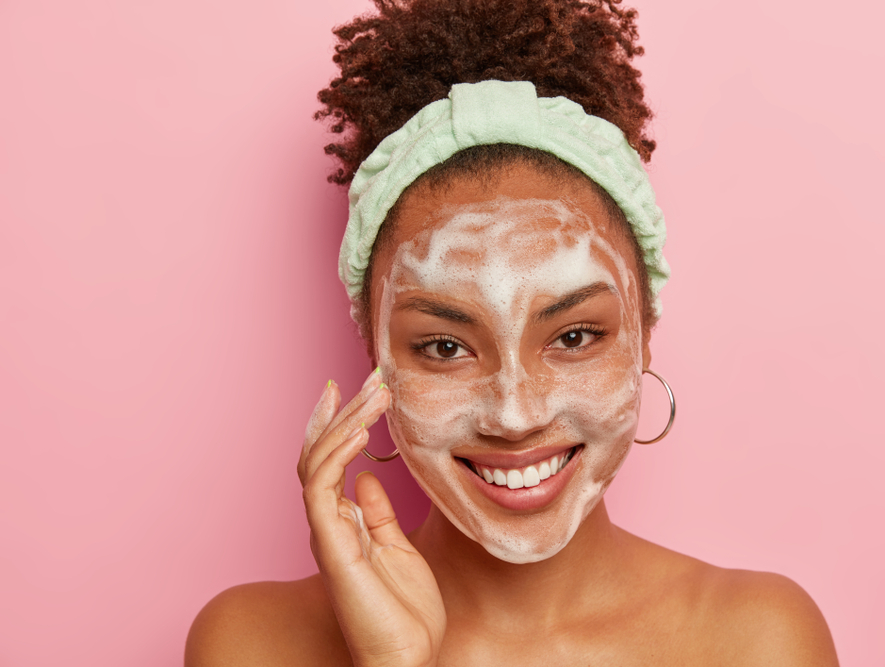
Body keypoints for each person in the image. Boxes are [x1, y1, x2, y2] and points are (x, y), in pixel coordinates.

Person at [186, 1, 839, 664]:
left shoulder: (758, 640)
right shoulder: (251, 642)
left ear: (645, 331)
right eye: (444, 346)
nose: (515, 413)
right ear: (378, 356)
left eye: (575, 335)